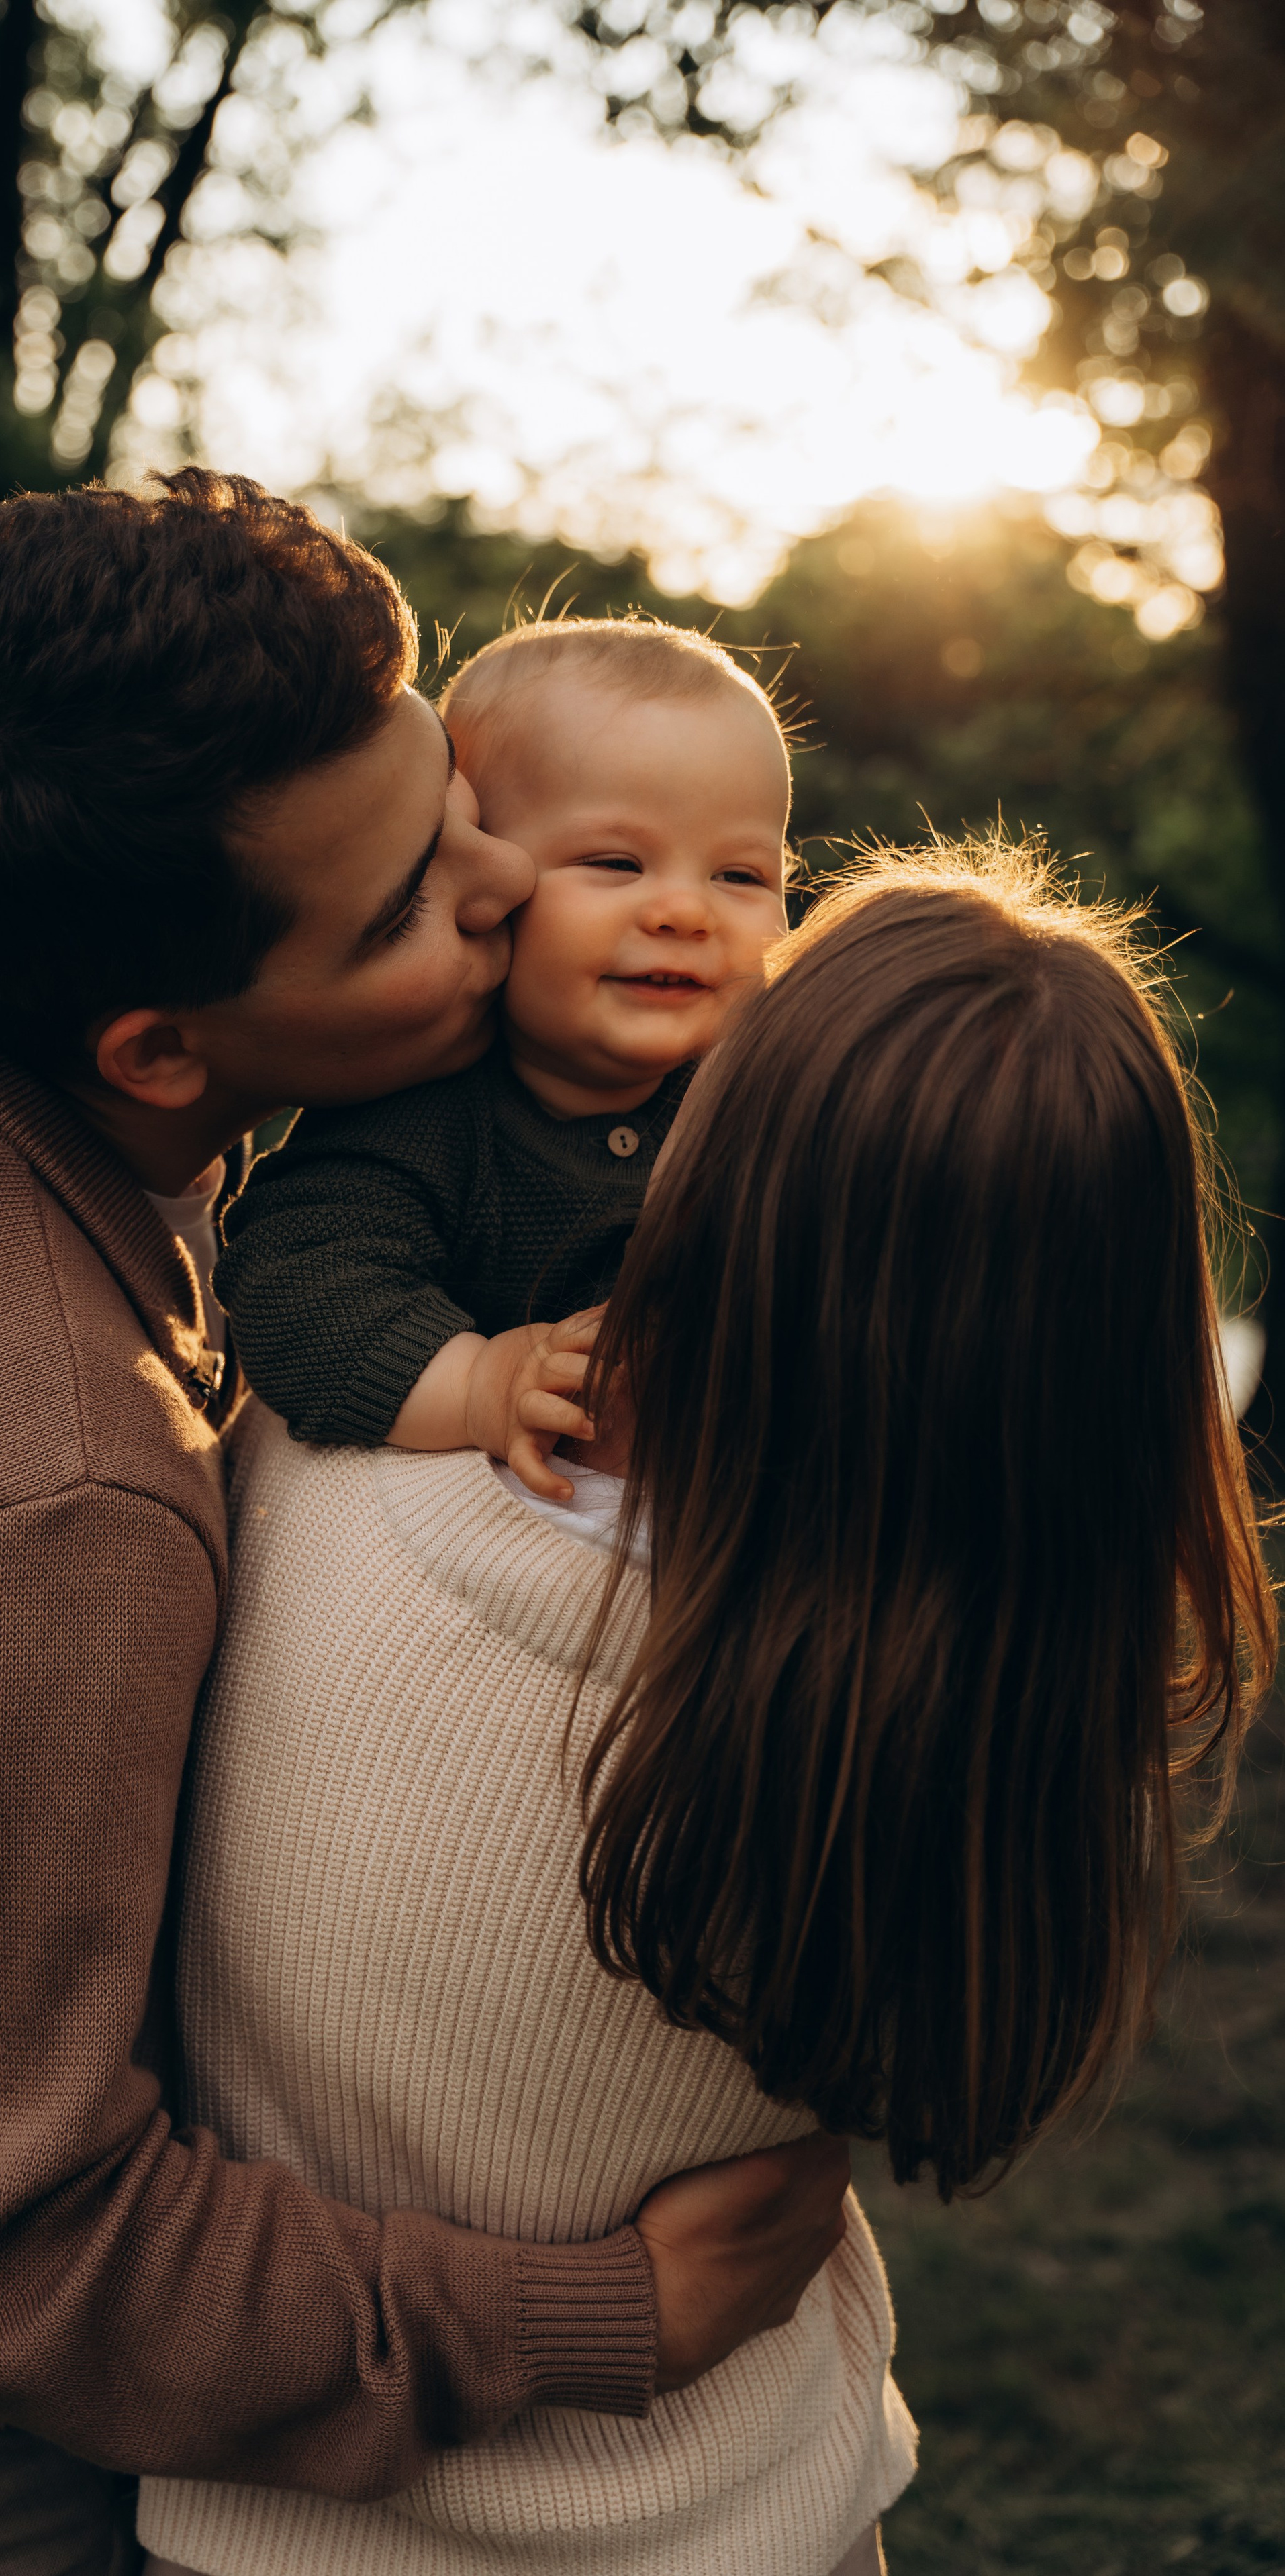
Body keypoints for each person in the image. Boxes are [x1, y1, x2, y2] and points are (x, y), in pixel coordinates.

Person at [0, 473, 851, 2575]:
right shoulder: (34, 1515)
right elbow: (18, 2258)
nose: (511, 884)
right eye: (411, 911)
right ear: (158, 1044)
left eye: (452, 793)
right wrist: (607, 2310)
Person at [136, 842, 1275, 2576]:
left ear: (709, 1154)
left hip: (299, 2521)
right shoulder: (1004, 1692)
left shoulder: (297, 1484)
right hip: (771, 2518)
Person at [216, 616, 792, 1499]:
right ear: (486, 878)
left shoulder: (775, 1100)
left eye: (743, 876)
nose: (686, 909)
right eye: (614, 861)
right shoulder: (427, 1110)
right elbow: (292, 1286)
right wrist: (479, 1383)